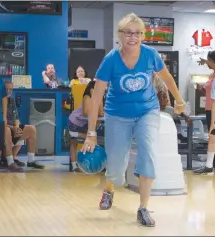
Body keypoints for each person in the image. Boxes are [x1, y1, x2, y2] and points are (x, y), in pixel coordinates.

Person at [80, 13, 186, 227]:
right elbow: (96, 96)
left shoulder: (150, 55)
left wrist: (179, 101)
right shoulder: (111, 59)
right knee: (117, 163)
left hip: (147, 111)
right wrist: (91, 133)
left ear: (142, 36)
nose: (133, 37)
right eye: (128, 32)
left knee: (148, 153)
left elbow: (166, 77)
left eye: (137, 33)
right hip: (117, 114)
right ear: (120, 35)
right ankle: (109, 189)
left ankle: (143, 208)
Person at [4, 81, 45, 170]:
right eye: (7, 89)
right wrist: (13, 128)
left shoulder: (11, 100)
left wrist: (17, 127)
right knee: (6, 130)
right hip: (2, 128)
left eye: (11, 89)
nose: (9, 91)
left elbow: (16, 118)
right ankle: (10, 162)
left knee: (32, 129)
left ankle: (31, 161)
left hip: (13, 127)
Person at [68, 81, 104, 172]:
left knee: (97, 139)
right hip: (75, 123)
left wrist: (98, 100)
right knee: (75, 141)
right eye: (95, 89)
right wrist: (97, 112)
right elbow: (86, 113)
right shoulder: (87, 97)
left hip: (84, 124)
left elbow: (101, 112)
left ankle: (96, 165)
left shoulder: (99, 98)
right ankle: (74, 165)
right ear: (91, 89)